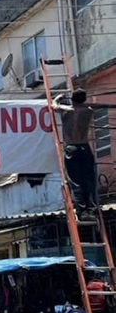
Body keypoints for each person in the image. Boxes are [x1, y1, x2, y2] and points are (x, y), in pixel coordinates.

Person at [53, 89, 98, 222]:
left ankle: (82, 212)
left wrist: (58, 98)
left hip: (71, 148)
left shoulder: (66, 110)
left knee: (75, 181)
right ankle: (91, 210)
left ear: (72, 99)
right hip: (85, 147)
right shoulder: (89, 110)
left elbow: (54, 106)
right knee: (89, 180)